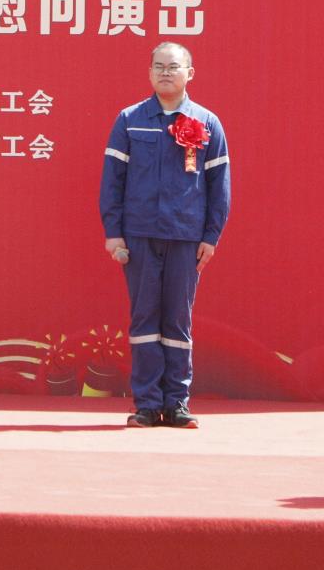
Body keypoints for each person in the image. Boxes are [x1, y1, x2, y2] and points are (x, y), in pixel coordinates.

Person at [99, 40, 231, 430]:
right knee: (144, 319)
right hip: (139, 235)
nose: (165, 73)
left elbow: (219, 185)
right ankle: (146, 404)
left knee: (177, 321)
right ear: (149, 73)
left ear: (190, 73)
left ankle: (176, 403)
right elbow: (112, 181)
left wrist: (211, 235)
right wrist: (113, 232)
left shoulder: (207, 123)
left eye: (173, 67)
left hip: (186, 236)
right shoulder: (130, 120)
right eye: (158, 66)